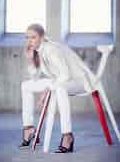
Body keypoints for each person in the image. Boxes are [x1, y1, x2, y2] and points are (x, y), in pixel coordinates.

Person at [19, 23, 93, 153]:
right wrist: (31, 60)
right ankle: (29, 128)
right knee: (26, 86)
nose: (29, 41)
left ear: (42, 37)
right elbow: (35, 78)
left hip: (79, 81)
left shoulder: (51, 49)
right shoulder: (38, 51)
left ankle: (67, 135)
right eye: (27, 37)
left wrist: (48, 90)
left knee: (60, 89)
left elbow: (65, 75)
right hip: (59, 80)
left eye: (33, 37)